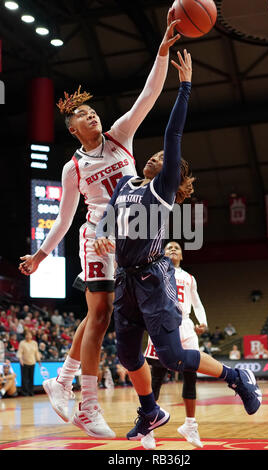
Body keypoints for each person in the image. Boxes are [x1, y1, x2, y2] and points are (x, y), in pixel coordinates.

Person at [18, 10, 181, 438]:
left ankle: (64, 380)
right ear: (72, 129)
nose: (93, 117)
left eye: (94, 112)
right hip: (97, 237)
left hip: (131, 237)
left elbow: (147, 95)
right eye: (85, 115)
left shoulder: (121, 135)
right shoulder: (73, 168)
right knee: (102, 312)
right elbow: (66, 218)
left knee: (104, 316)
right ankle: (87, 404)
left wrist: (161, 51)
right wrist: (40, 254)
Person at [94, 49, 262, 442]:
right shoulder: (123, 184)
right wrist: (105, 237)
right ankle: (151, 411)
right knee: (129, 357)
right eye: (151, 155)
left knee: (170, 357)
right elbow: (113, 222)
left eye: (161, 158)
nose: (154, 157)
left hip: (154, 277)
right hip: (125, 279)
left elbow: (172, 135)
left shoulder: (162, 188)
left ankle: (237, 375)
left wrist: (185, 87)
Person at [142, 240, 207, 449]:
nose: (172, 249)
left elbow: (196, 302)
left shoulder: (189, 278)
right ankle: (147, 428)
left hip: (186, 325)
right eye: (168, 247)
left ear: (182, 255)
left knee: (191, 375)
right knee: (156, 379)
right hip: (162, 323)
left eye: (176, 248)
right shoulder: (155, 271)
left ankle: (190, 425)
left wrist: (202, 321)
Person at [17, 331, 41, 396]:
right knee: (24, 378)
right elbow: (20, 352)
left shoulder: (34, 343)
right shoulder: (22, 343)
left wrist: (38, 360)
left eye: (29, 335)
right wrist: (20, 360)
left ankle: (31, 391)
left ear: (31, 336)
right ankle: (24, 392)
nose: (28, 336)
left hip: (32, 362)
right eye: (26, 335)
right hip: (24, 363)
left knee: (31, 378)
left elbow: (36, 352)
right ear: (25, 336)